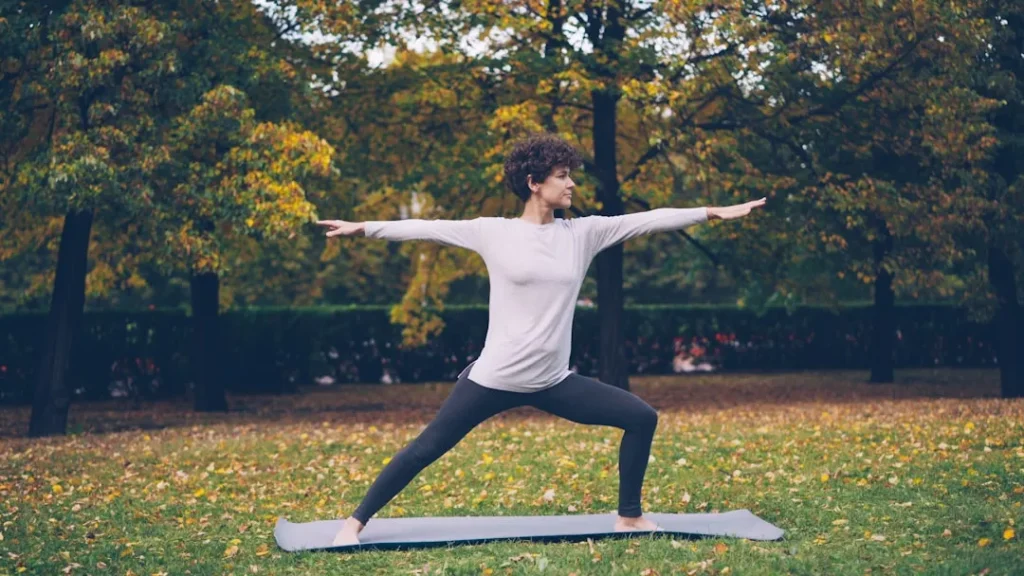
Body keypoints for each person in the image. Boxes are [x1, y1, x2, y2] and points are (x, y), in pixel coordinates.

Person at [316, 133, 766, 545]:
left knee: (641, 417)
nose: (571, 185)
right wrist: (364, 227)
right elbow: (427, 227)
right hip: (494, 378)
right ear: (534, 183)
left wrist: (710, 212)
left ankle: (629, 516)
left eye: (569, 175)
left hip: (552, 381)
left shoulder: (583, 233)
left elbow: (648, 220)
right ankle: (353, 524)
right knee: (427, 448)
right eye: (562, 176)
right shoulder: (494, 232)